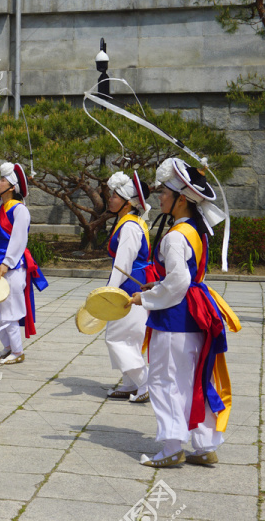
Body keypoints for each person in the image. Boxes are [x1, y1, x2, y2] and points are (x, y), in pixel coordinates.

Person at [129, 158, 239, 467]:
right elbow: (185, 276)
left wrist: (147, 296)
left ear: (181, 199)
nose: (159, 196)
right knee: (193, 380)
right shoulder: (195, 229)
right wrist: (158, 283)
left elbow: (178, 281)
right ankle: (205, 445)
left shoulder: (176, 236)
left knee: (165, 380)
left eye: (164, 191)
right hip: (195, 313)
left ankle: (172, 447)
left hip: (176, 316)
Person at [0, 162, 48, 365]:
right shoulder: (2, 208)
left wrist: (8, 262)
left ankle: (17, 351)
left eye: (2, 180)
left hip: (13, 264)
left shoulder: (20, 210)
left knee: (8, 309)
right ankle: (8, 347)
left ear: (11, 187)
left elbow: (18, 239)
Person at [103, 171, 152, 403]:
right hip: (132, 281)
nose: (110, 198)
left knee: (116, 336)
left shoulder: (130, 226)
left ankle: (144, 382)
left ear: (128, 202)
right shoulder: (127, 222)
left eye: (115, 195)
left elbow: (123, 263)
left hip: (130, 284)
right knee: (126, 336)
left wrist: (109, 294)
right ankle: (131, 383)